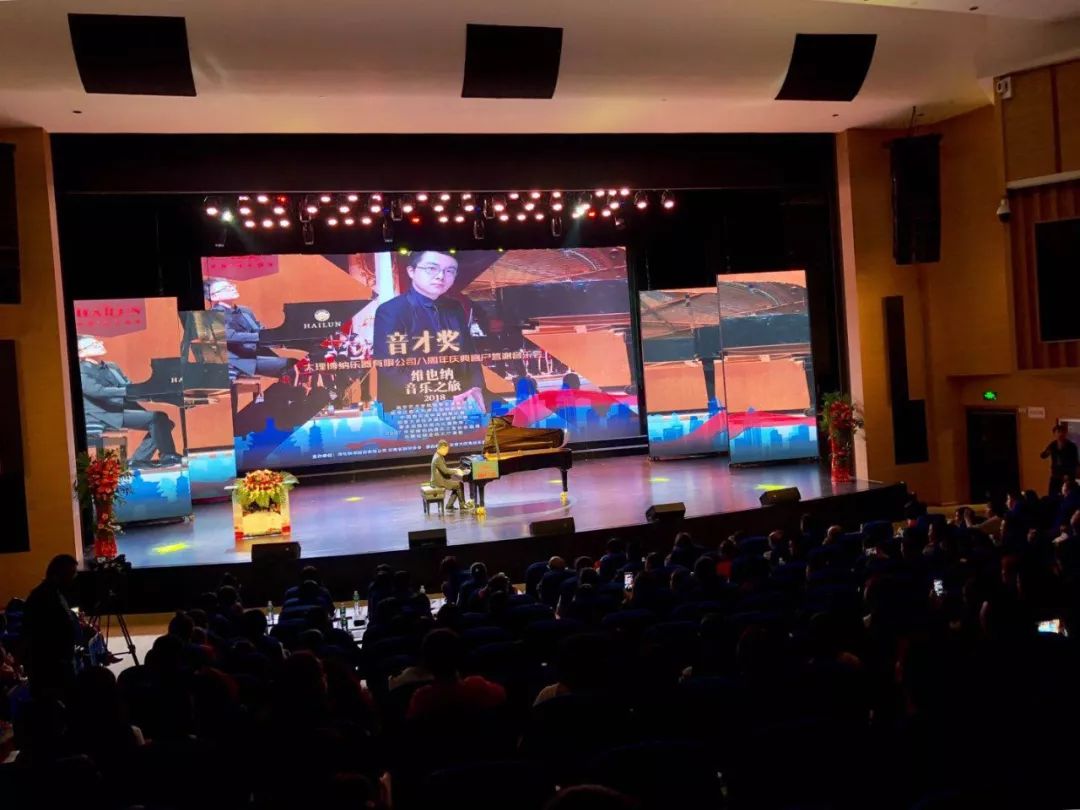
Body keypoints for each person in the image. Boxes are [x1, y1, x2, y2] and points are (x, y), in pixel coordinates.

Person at [372, 250, 485, 411]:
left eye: (449, 271)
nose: (441, 276)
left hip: (461, 402)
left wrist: (476, 387)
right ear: (411, 271)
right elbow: (389, 368)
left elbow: (469, 353)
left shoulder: (455, 307)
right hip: (411, 407)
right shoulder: (391, 310)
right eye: (432, 268)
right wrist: (442, 398)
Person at [78, 335, 180, 467]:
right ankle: (166, 456)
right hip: (103, 413)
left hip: (121, 408)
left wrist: (145, 389)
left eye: (98, 342)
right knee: (158, 418)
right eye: (93, 344)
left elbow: (127, 385)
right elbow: (98, 391)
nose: (99, 344)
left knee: (164, 422)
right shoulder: (82, 370)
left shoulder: (111, 366)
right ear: (81, 353)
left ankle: (139, 460)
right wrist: (126, 391)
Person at [406, 629, 506, 720]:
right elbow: (502, 696)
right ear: (461, 657)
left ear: (426, 663)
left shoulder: (423, 699)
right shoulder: (478, 687)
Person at [23, 554, 80, 699]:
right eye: (71, 574)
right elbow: (39, 635)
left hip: (61, 661)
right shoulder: (42, 597)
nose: (74, 578)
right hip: (50, 667)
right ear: (58, 574)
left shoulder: (55, 592)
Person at [1041, 423, 1079, 497]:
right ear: (1054, 434)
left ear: (1065, 433)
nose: (1060, 434)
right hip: (1056, 475)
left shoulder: (1071, 446)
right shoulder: (1053, 445)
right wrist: (1047, 452)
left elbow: (1075, 462)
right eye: (1058, 432)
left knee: (1067, 496)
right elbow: (1043, 456)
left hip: (1068, 477)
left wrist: (1069, 474)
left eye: (1062, 432)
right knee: (1052, 496)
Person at [431, 439, 469, 511]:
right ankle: (462, 505)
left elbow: (444, 469)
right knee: (459, 485)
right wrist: (456, 471)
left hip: (439, 480)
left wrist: (456, 469)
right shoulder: (438, 458)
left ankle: (449, 505)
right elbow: (445, 471)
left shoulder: (437, 455)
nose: (447, 452)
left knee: (457, 486)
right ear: (442, 448)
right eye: (446, 450)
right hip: (439, 481)